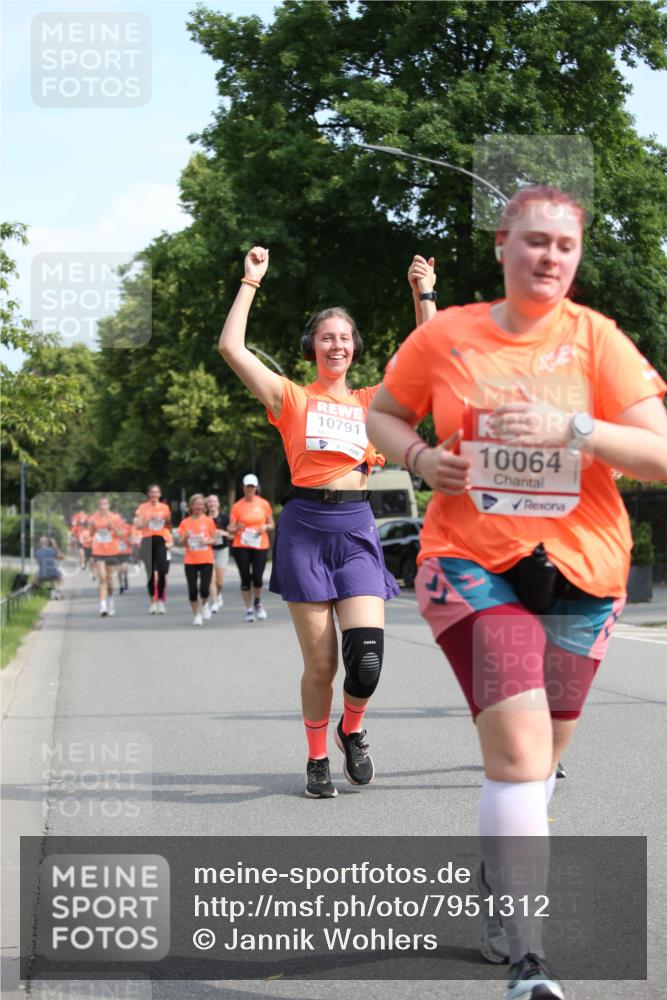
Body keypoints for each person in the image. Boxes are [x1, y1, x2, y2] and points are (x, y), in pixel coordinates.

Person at [366, 186, 667, 1000]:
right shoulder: (447, 336)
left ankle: (501, 870)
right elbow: (384, 417)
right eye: (533, 242)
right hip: (468, 561)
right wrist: (424, 462)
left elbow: (658, 453)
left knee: (539, 767)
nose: (548, 259)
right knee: (519, 755)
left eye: (564, 247)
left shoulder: (597, 341)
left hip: (583, 569)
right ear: (501, 245)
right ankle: (530, 961)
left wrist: (572, 429)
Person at [219, 247, 408, 800]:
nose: (337, 344)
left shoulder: (374, 401)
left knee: (366, 660)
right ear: (312, 347)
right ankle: (317, 757)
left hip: (355, 529)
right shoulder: (291, 397)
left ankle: (352, 728)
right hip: (304, 527)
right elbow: (231, 347)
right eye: (326, 337)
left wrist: (424, 294)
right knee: (322, 665)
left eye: (344, 337)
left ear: (355, 348)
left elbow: (431, 358)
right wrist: (250, 282)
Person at [228, 475, 274, 622]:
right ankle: (248, 609)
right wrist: (236, 527)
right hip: (241, 545)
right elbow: (230, 528)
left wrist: (265, 527)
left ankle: (258, 602)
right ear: (243, 488)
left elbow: (272, 524)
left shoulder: (264, 504)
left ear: (256, 488)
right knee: (245, 578)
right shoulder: (237, 506)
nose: (250, 489)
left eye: (252, 487)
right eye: (247, 486)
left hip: (260, 544)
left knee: (258, 578)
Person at [176, 494, 217, 626]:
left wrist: (207, 541)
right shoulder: (185, 522)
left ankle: (204, 605)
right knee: (193, 591)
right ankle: (197, 615)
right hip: (190, 560)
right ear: (191, 506)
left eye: (201, 504)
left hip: (206, 559)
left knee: (205, 590)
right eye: (196, 504)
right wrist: (186, 537)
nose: (199, 506)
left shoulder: (209, 521)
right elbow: (180, 544)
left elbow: (214, 539)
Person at [134, 485, 171, 615]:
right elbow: (138, 525)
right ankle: (153, 602)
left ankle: (160, 600)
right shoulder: (143, 508)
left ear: (160, 494)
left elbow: (168, 524)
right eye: (152, 492)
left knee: (161, 571)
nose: (154, 495)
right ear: (148, 494)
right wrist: (148, 520)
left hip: (160, 539)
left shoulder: (165, 508)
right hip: (147, 540)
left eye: (156, 492)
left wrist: (165, 520)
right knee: (150, 573)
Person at [88, 497, 125, 617]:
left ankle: (110, 600)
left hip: (112, 551)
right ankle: (102, 606)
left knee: (109, 580)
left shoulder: (115, 517)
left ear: (109, 506)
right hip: (98, 551)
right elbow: (90, 534)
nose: (103, 506)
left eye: (105, 504)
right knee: (102, 577)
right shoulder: (93, 518)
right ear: (98, 506)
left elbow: (121, 534)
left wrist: (112, 526)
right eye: (100, 504)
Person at [205, 493, 231, 613]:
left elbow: (232, 535)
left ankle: (218, 594)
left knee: (219, 581)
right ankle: (215, 602)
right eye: (210, 502)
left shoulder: (225, 518)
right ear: (207, 504)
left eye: (214, 501)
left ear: (218, 504)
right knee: (211, 578)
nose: (212, 504)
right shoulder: (203, 518)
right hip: (207, 550)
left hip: (222, 549)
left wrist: (224, 533)